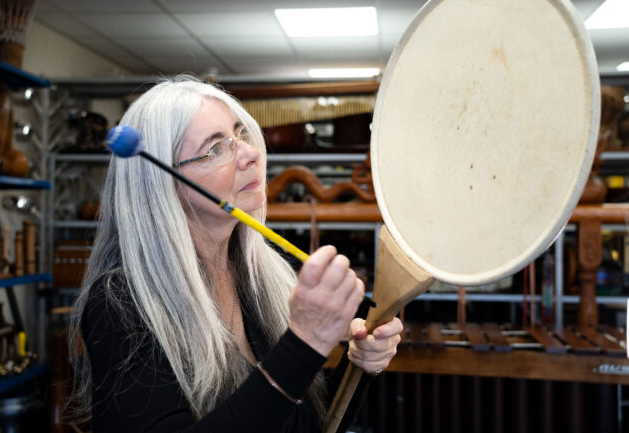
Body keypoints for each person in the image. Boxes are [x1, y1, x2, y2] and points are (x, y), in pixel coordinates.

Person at [69, 75, 402, 433]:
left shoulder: (267, 272)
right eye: (217, 149)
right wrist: (303, 345)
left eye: (240, 134)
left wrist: (361, 366)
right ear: (163, 185)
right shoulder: (120, 303)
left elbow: (306, 423)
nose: (251, 153)